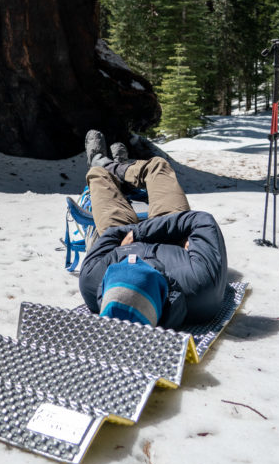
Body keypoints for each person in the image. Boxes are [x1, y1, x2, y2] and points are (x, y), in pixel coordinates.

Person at [78, 130, 228, 330]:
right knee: (158, 166)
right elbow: (202, 221)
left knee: (96, 174)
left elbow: (109, 237)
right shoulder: (200, 285)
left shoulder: (91, 281)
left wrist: (129, 235)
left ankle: (108, 168)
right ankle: (119, 168)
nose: (135, 259)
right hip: (170, 233)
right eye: (140, 266)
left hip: (120, 234)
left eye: (123, 264)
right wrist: (141, 233)